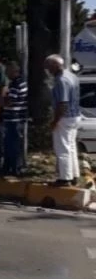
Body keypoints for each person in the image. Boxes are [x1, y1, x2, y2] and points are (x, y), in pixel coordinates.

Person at [46, 54, 81, 186]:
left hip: (65, 118)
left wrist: (55, 121)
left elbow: (63, 104)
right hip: (75, 116)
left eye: (49, 67)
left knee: (62, 149)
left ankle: (64, 178)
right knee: (71, 147)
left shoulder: (61, 80)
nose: (48, 70)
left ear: (55, 66)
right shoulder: (72, 76)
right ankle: (74, 175)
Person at [1, 61, 28, 176]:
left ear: (14, 71)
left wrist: (2, 100)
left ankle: (16, 168)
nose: (6, 74)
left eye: (7, 71)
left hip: (15, 119)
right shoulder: (19, 83)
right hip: (13, 119)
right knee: (9, 145)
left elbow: (9, 101)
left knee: (14, 145)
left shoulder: (16, 84)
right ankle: (9, 167)